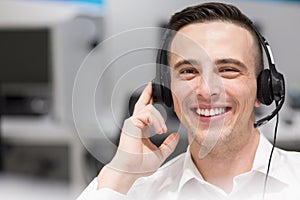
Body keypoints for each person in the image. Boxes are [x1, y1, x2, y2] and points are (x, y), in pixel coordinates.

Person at [77, 2, 300, 200]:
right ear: (166, 91)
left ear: (263, 89)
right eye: (189, 71)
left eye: (228, 70)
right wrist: (121, 172)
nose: (207, 90)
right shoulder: (142, 192)